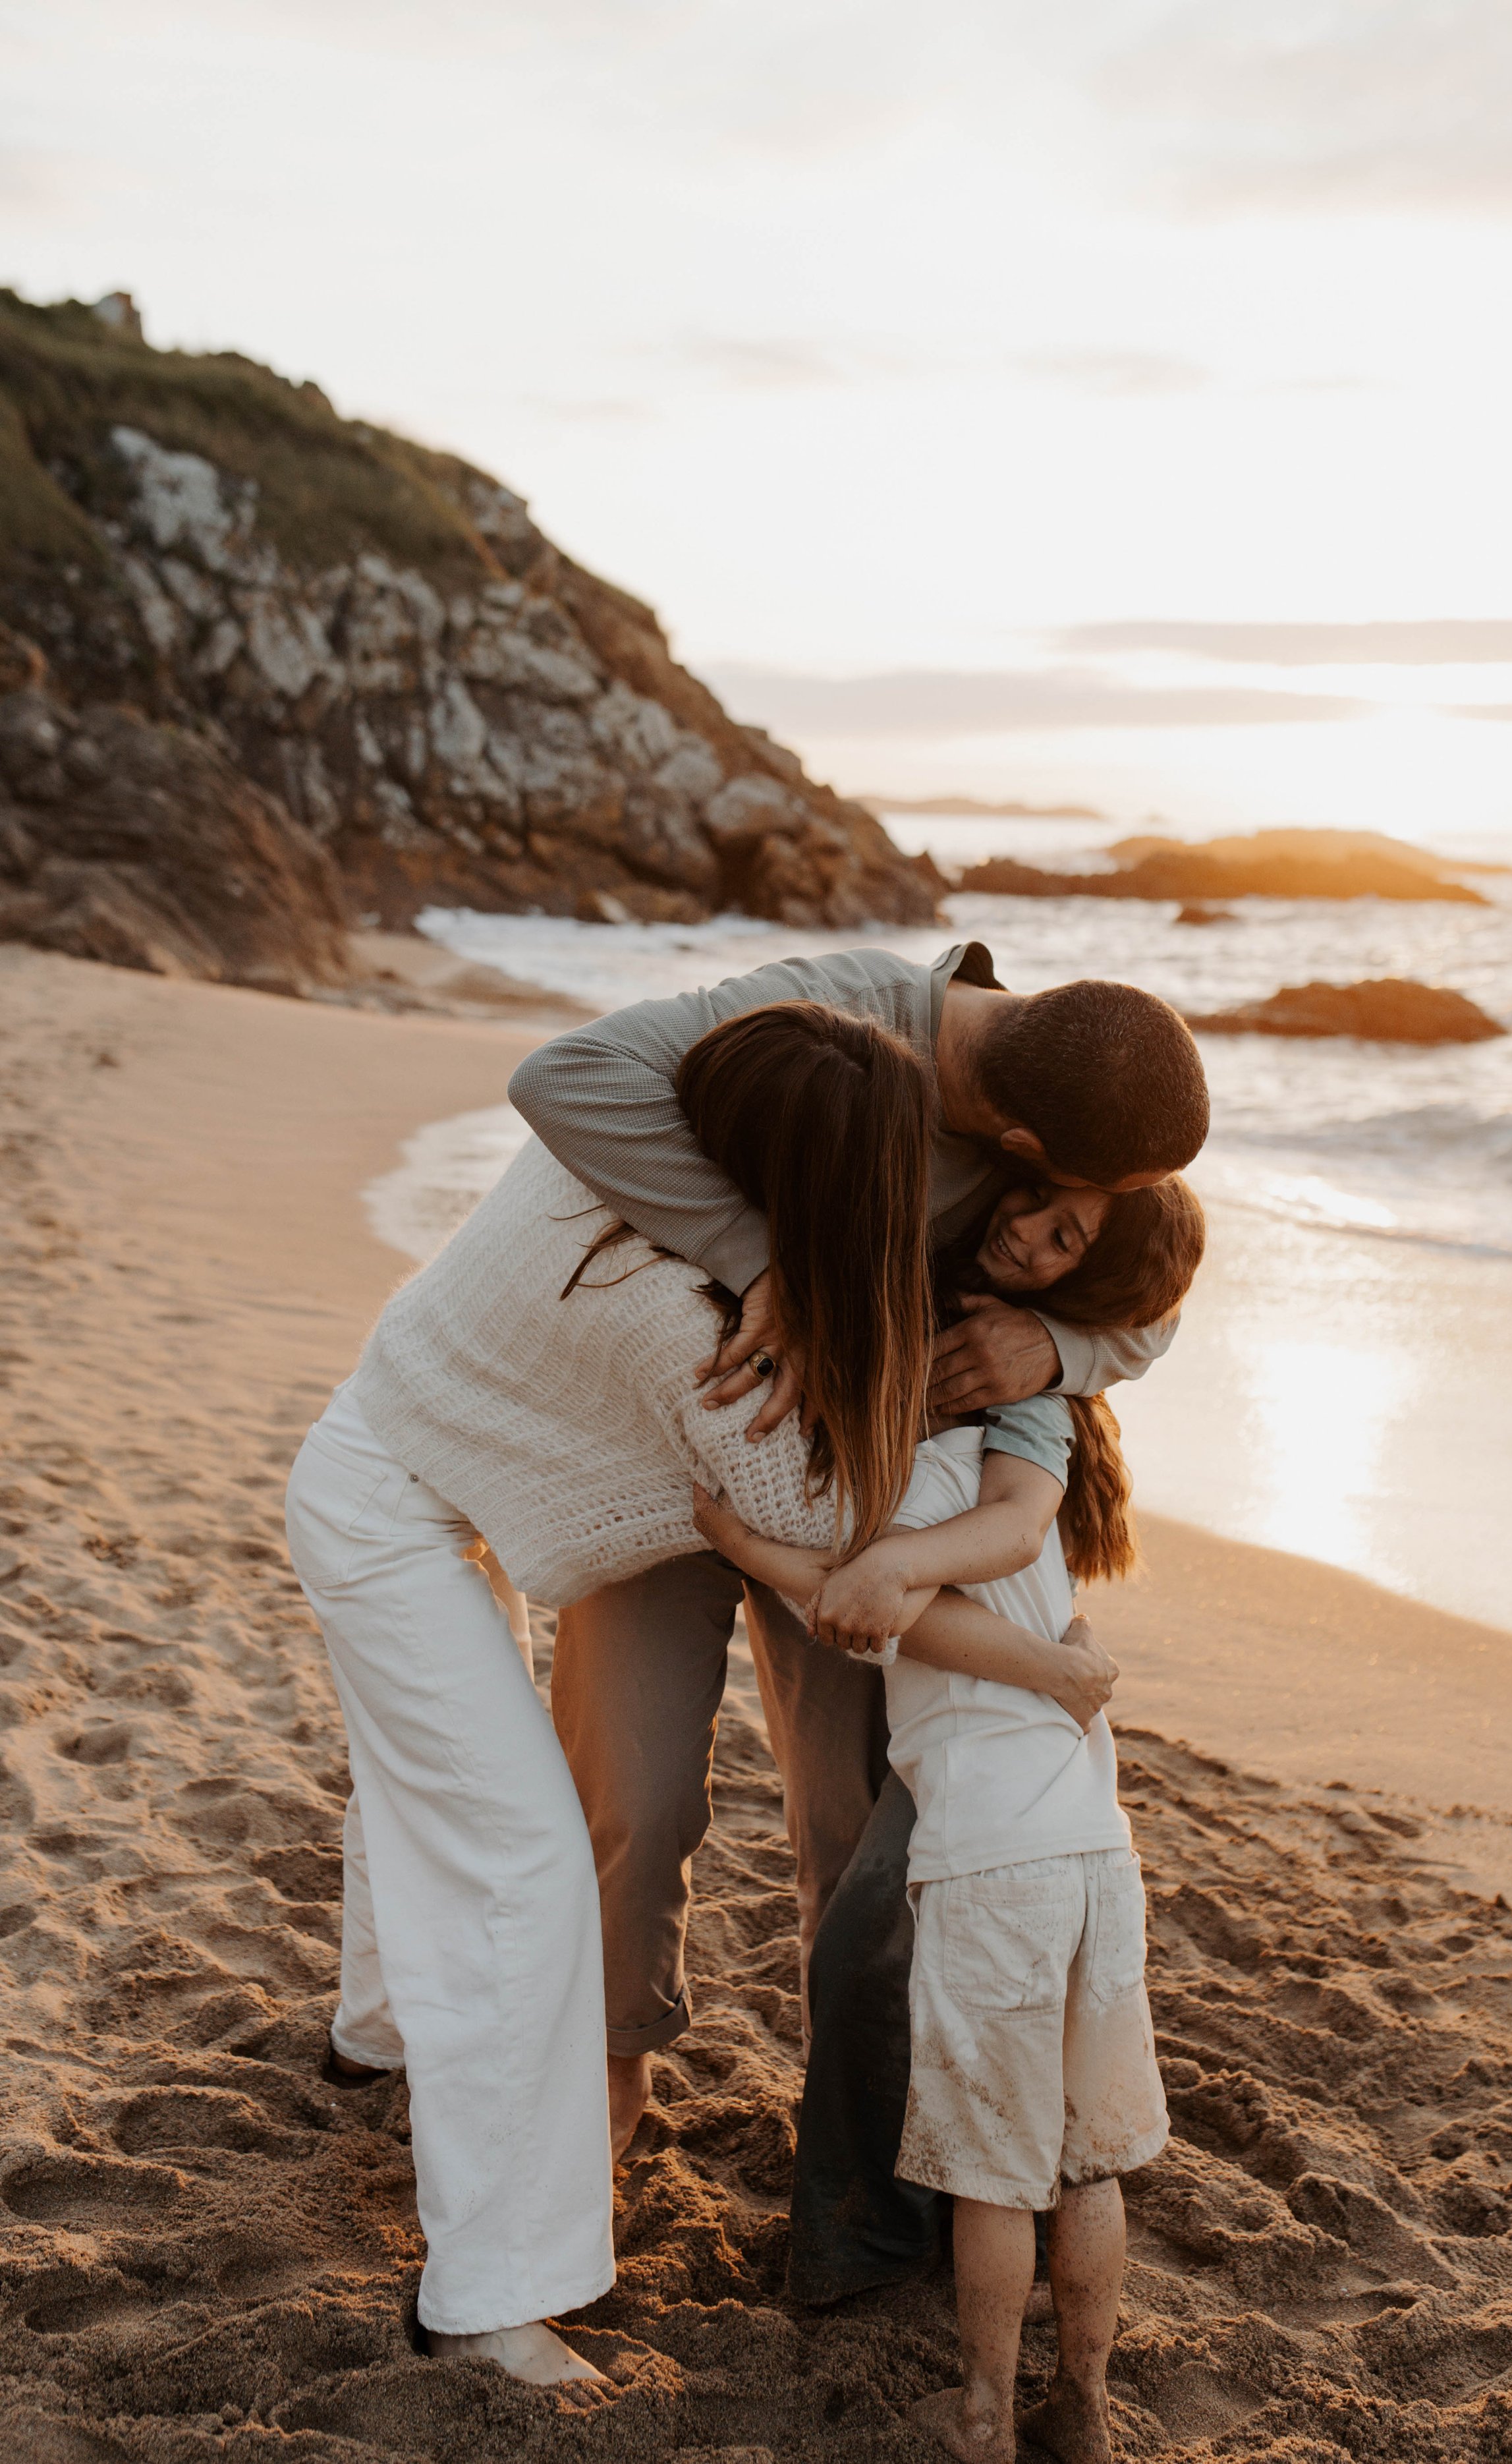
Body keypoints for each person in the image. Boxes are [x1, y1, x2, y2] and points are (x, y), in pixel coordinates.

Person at [283, 1001, 1118, 2389]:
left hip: (426, 1439)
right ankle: (486, 2297)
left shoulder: (611, 1174)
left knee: (432, 1764)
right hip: (391, 1518)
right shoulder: (676, 1328)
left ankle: (375, 2028)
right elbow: (826, 1524)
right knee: (524, 1859)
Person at [507, 942, 1208, 2153]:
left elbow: (1154, 1282)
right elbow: (565, 1078)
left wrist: (1062, 1353)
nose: (1047, 1225)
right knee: (633, 1785)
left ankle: (860, 2119)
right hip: (663, 1453)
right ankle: (613, 2067)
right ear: (1026, 1148)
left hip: (854, 1492)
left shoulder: (1068, 1106)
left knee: (860, 1813)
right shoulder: (836, 1011)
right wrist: (760, 1257)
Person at [692, 1260, 1185, 2464]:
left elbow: (848, 1602)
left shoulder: (885, 1504)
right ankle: (1086, 2405)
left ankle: (984, 2416)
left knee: (991, 2174)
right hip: (1096, 1857)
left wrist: (738, 1540)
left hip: (985, 1873)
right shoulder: (1017, 1486)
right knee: (1086, 2162)